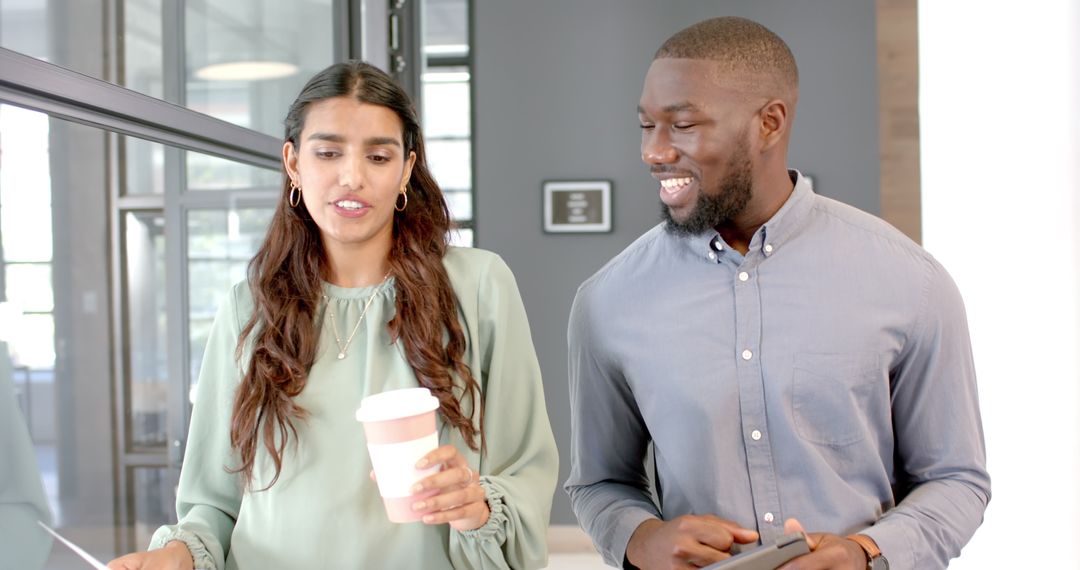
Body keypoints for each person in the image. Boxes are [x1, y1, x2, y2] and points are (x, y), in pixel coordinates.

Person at [565, 17, 989, 570]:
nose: (654, 151)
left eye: (684, 124)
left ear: (769, 123)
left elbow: (956, 480)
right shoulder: (606, 301)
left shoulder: (912, 282)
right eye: (647, 125)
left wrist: (865, 553)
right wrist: (641, 538)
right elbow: (599, 483)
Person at [108, 60, 558, 570]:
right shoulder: (248, 307)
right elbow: (213, 503)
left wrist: (475, 505)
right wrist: (176, 555)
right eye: (327, 152)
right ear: (293, 163)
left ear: (406, 169)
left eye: (378, 156)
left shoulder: (478, 288)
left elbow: (525, 472)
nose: (352, 177)